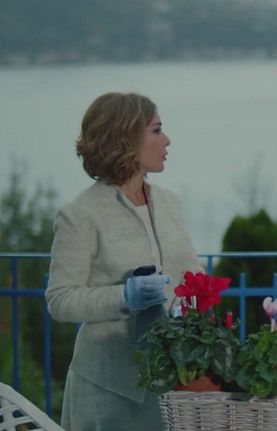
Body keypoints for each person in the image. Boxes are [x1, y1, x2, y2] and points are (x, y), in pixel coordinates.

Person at [46, 92, 201, 430]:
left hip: (169, 378)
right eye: (157, 130)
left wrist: (194, 303)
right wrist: (124, 296)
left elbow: (192, 274)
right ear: (126, 138)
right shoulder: (80, 215)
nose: (167, 140)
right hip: (105, 388)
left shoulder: (170, 203)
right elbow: (60, 300)